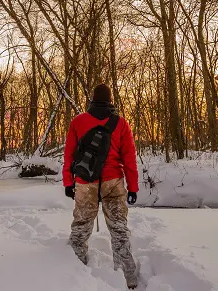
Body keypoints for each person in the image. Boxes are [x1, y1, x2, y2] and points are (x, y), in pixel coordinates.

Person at [63, 83, 139, 289]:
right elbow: (129, 159)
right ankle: (128, 278)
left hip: (85, 182)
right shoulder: (121, 124)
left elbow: (69, 155)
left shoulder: (78, 121)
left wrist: (68, 182)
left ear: (92, 99)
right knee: (119, 228)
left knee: (81, 226)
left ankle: (74, 270)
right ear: (110, 100)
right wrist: (133, 187)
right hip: (113, 182)